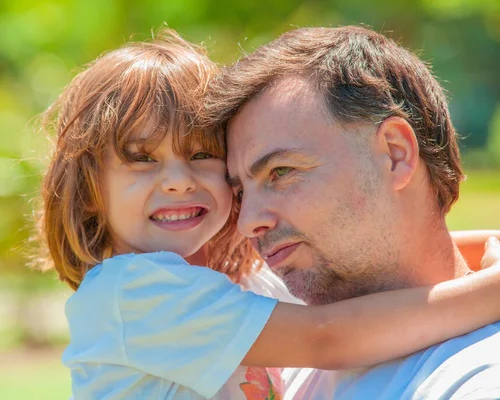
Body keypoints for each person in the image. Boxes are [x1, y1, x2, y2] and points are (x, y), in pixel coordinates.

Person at [35, 30, 500, 400]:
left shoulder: (243, 284)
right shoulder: (130, 294)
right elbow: (327, 338)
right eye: (141, 157)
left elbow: (372, 254)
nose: (178, 181)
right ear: (90, 189)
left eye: (201, 155)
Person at [204, 25, 500, 399]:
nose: (248, 223)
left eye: (281, 172)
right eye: (241, 192)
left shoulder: (477, 381)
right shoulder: (285, 352)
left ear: (395, 154)